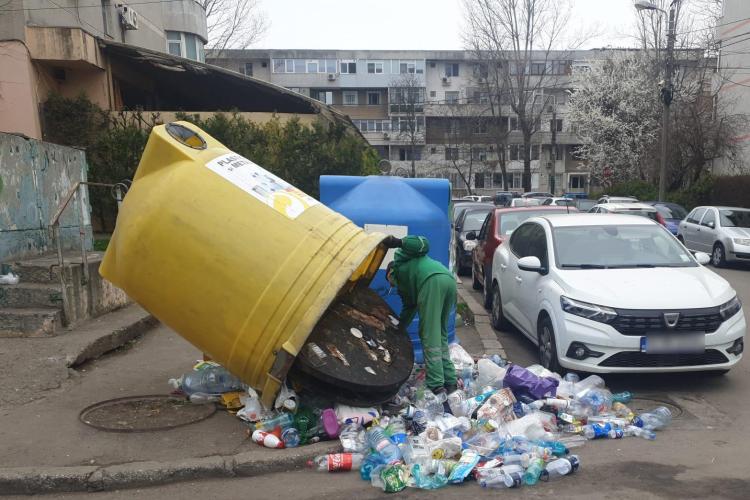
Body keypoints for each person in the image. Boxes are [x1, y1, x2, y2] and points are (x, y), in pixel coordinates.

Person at [383, 235, 457, 398]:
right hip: (448, 280)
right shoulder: (406, 284)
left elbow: (423, 243)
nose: (391, 285)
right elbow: (409, 308)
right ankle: (451, 381)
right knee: (440, 333)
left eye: (389, 280)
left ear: (390, 272)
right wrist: (398, 328)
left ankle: (436, 385)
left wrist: (398, 242)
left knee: (429, 334)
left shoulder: (401, 260)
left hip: (432, 281)